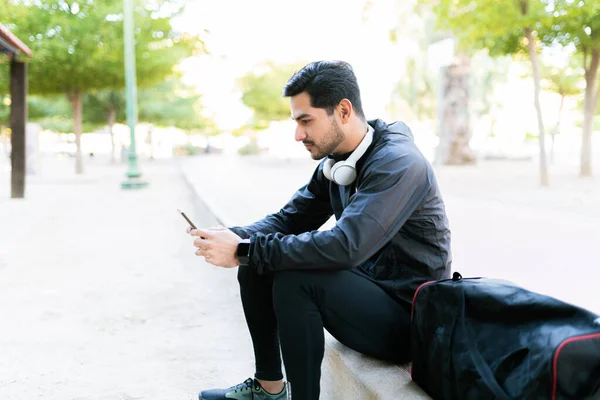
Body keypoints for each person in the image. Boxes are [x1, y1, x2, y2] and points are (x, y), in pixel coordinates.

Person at [188, 60, 452, 400]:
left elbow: (346, 246)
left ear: (342, 110)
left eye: (305, 121)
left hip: (408, 321)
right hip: (365, 299)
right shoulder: (339, 160)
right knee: (258, 257)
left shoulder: (398, 162)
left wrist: (244, 250)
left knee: (293, 276)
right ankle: (269, 388)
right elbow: (289, 219)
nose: (298, 134)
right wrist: (232, 237)